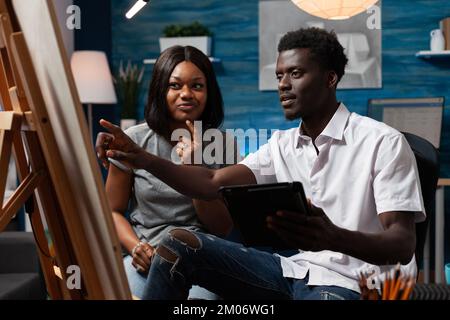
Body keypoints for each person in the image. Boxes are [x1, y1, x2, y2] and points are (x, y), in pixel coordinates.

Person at [97, 28, 424, 300]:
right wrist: (142, 159)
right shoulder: (280, 145)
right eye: (280, 75)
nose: (283, 84)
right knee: (179, 242)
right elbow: (212, 182)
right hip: (291, 271)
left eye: (296, 73)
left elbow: (402, 244)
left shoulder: (383, 142)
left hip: (350, 283)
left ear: (330, 78)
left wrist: (332, 237)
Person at [97, 45, 239, 299]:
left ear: (209, 93)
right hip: (145, 258)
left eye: (197, 86)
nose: (186, 94)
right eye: (175, 85)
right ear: (160, 89)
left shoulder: (223, 144)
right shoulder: (134, 140)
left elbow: (221, 227)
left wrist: (194, 167)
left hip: (202, 262)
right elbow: (112, 211)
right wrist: (136, 246)